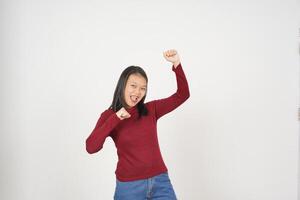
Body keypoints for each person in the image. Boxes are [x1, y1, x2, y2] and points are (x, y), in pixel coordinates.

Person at [85, 49, 190, 200]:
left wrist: (176, 64)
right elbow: (91, 147)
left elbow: (182, 95)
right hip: (129, 187)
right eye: (133, 86)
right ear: (123, 86)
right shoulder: (109, 116)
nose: (137, 92)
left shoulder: (151, 109)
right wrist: (116, 118)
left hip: (160, 182)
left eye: (143, 88)